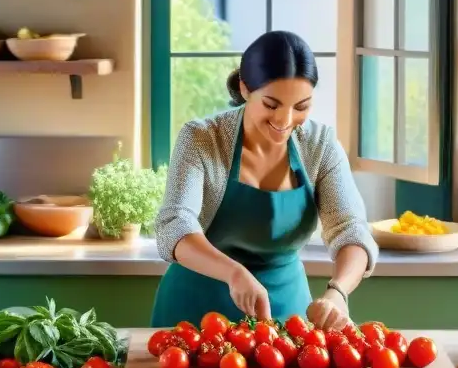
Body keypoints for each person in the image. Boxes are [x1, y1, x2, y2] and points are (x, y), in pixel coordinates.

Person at [152, 30, 378, 331]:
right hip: (195, 312)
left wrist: (338, 292)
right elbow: (174, 225)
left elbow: (351, 230)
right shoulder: (202, 139)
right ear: (245, 89)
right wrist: (234, 273)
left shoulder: (320, 146)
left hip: (287, 313)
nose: (284, 121)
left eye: (301, 107)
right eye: (271, 105)